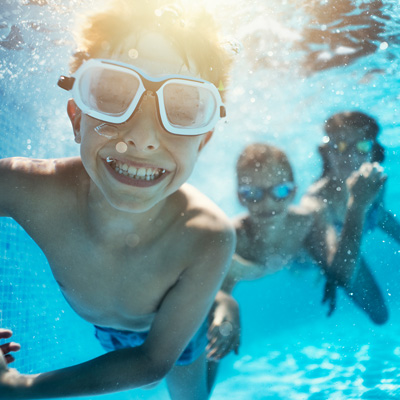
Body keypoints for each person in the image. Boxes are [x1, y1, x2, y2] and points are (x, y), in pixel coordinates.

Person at [0, 1, 236, 399]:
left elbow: (152, 362)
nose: (142, 137)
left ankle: (220, 304)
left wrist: (21, 388)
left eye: (181, 110)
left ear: (204, 140)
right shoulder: (24, 186)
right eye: (111, 95)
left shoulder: (207, 235)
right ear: (77, 117)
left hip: (176, 338)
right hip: (109, 334)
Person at [206, 140, 390, 378]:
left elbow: (342, 273)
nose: (268, 204)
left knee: (380, 315)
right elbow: (216, 294)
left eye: (280, 191)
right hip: (291, 259)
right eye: (253, 193)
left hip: (306, 257)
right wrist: (224, 314)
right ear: (239, 197)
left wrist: (357, 207)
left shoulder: (308, 219)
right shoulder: (233, 238)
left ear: (293, 191)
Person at [301, 110, 399, 321]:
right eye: (341, 146)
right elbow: (341, 272)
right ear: (327, 151)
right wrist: (331, 274)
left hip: (345, 251)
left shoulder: (374, 182)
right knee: (379, 315)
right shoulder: (316, 201)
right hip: (307, 259)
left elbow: (381, 216)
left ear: (374, 152)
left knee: (381, 316)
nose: (351, 156)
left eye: (362, 146)